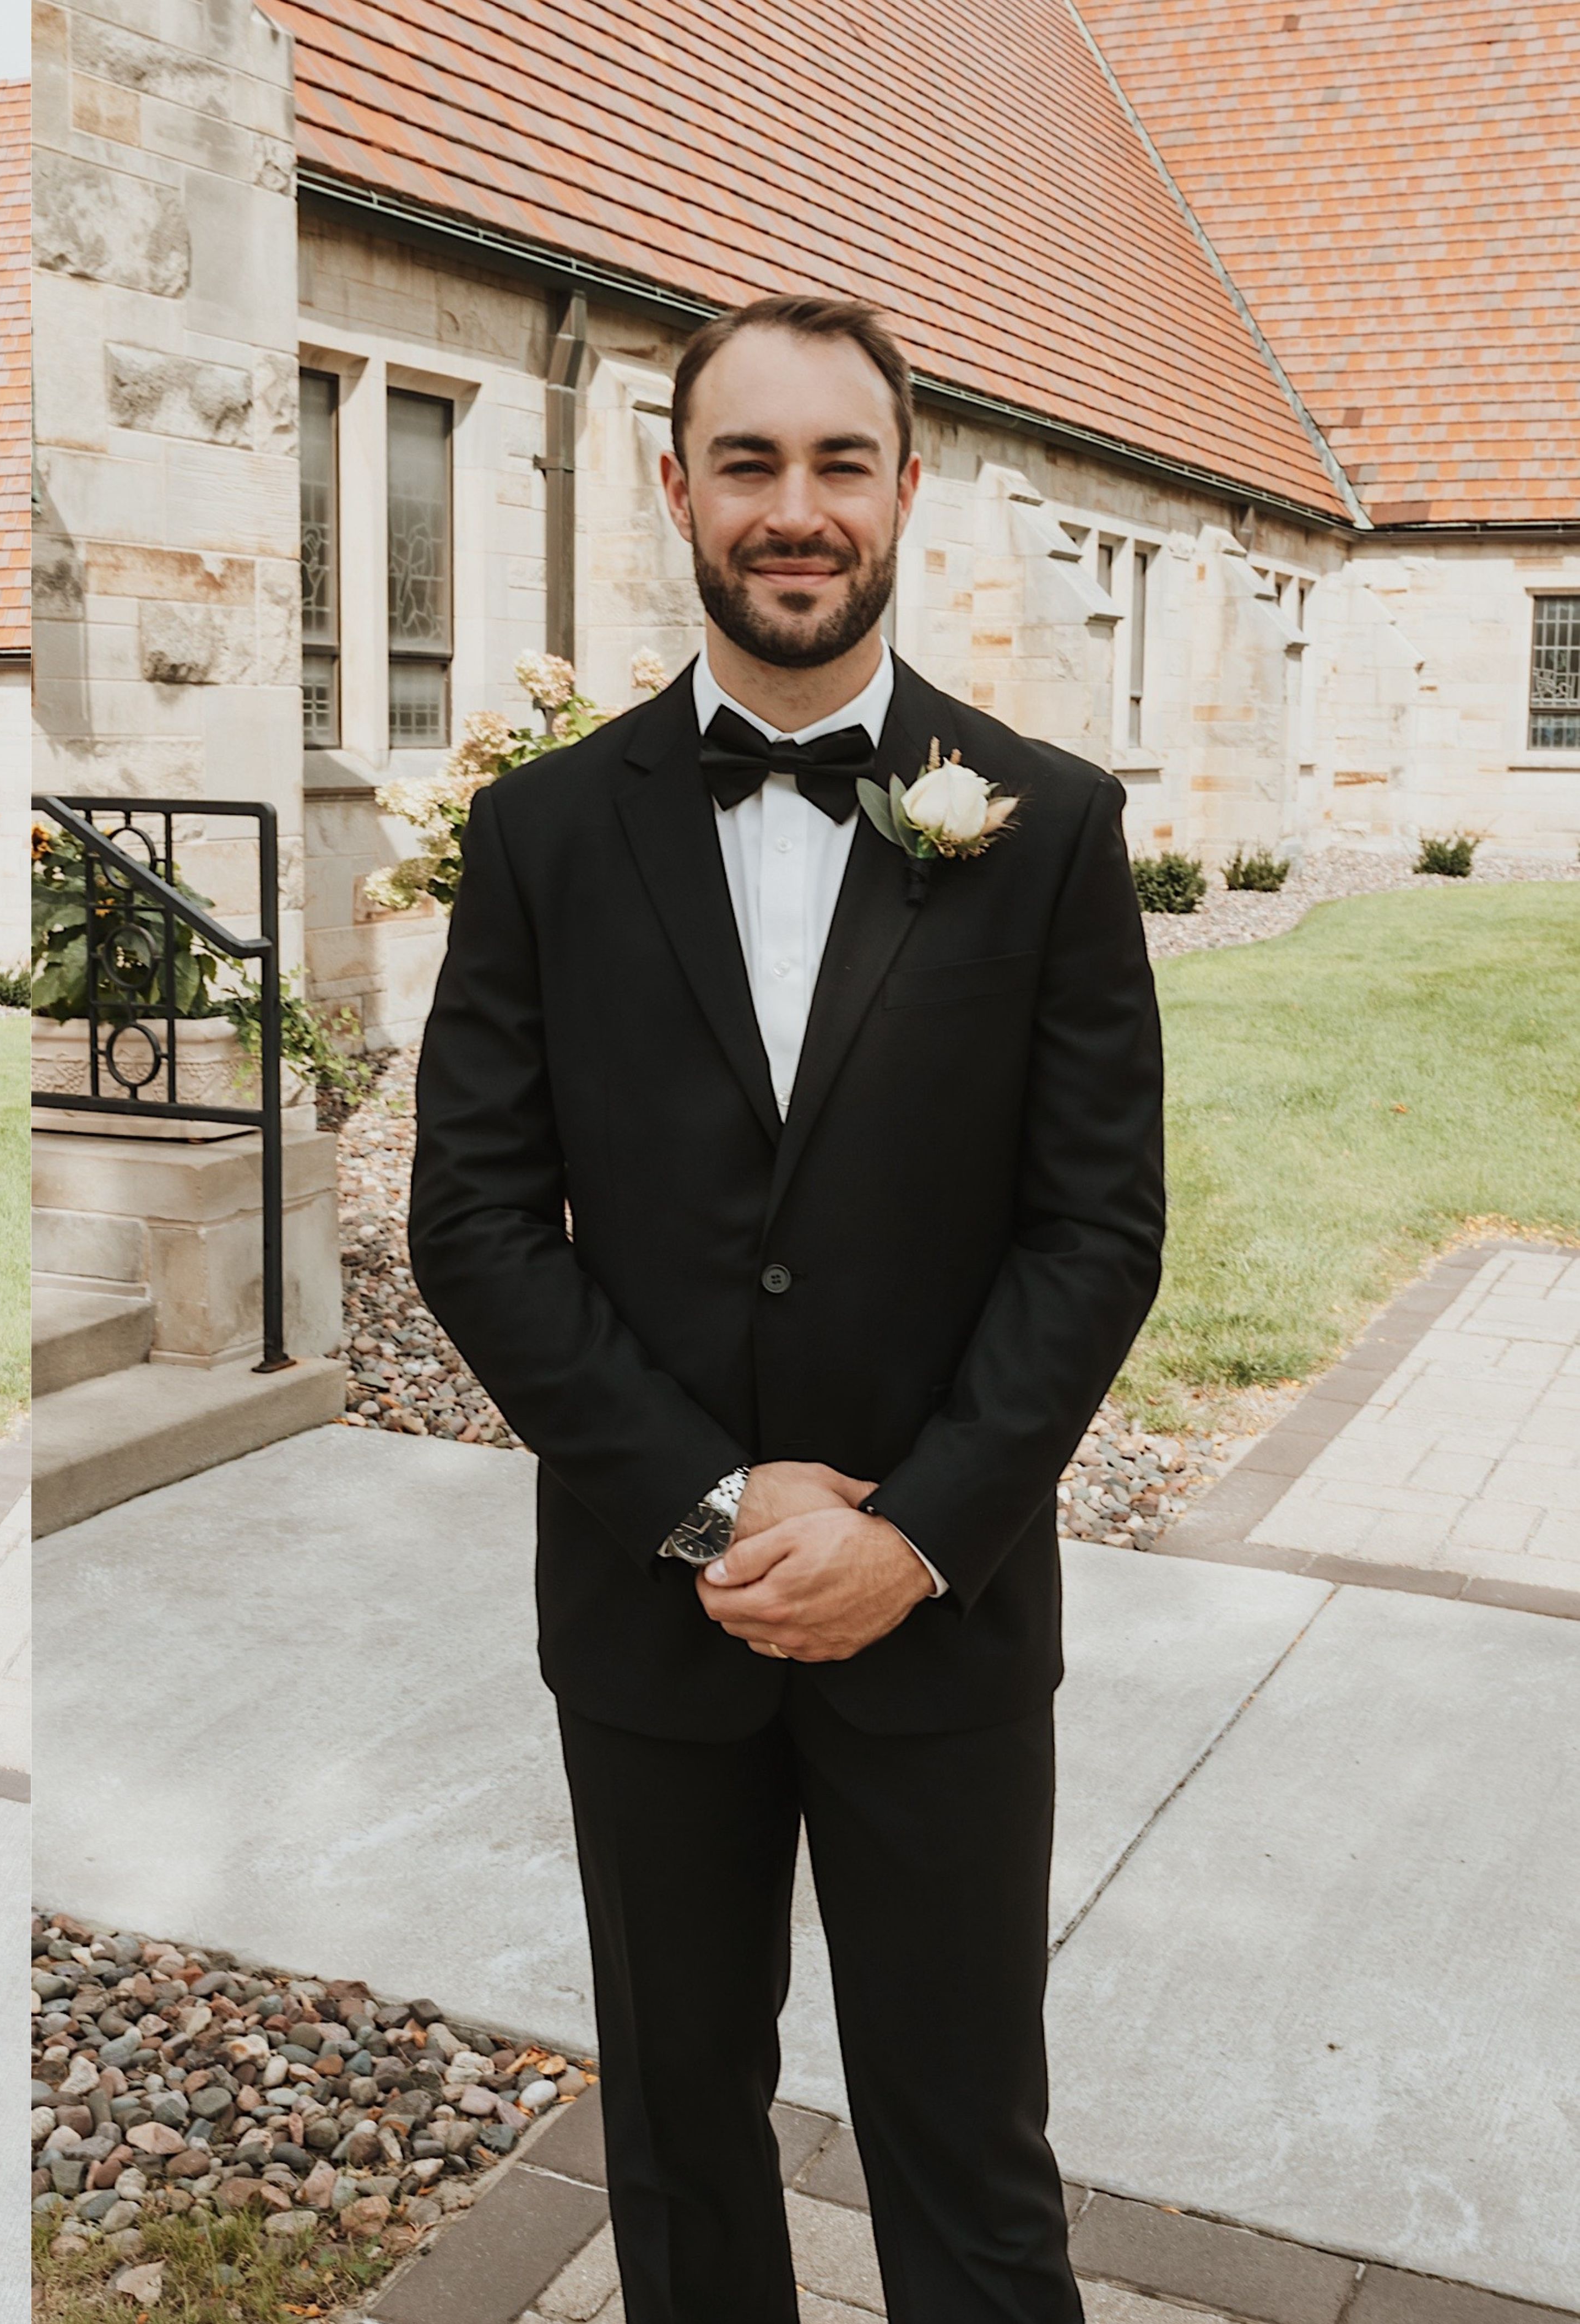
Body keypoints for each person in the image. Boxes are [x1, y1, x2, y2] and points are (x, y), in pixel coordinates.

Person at [407, 294, 1165, 2321]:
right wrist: (708, 1500)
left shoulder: (1051, 826)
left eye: (840, 461)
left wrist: (911, 1528)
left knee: (967, 2147)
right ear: (674, 489)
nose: (795, 508)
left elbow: (1094, 1232)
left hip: (947, 1622)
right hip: (655, 1621)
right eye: (747, 462)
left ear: (906, 488)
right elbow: (473, 1220)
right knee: (673, 2134)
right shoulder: (542, 834)